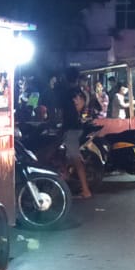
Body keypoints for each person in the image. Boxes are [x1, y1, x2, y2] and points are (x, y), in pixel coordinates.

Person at [48, 68, 93, 200]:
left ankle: (86, 190)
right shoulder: (80, 92)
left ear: (66, 78)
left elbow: (60, 112)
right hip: (76, 127)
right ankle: (64, 179)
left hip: (71, 129)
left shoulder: (68, 93)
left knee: (76, 160)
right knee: (68, 158)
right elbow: (82, 106)